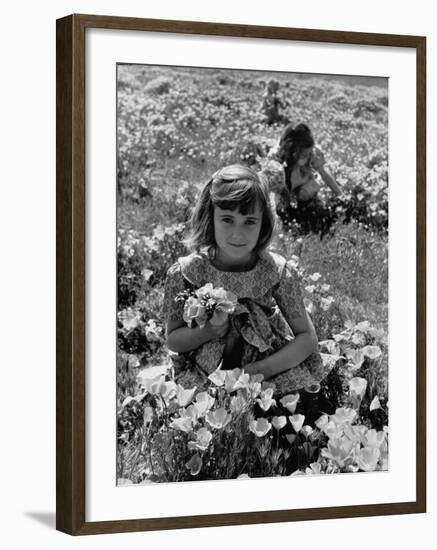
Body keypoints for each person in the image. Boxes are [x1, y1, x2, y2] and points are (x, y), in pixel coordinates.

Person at [162, 164, 331, 396]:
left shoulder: (275, 271)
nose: (237, 234)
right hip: (206, 370)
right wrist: (209, 331)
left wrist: (260, 371)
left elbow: (307, 338)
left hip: (266, 365)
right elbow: (173, 340)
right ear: (210, 217)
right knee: (202, 403)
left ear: (263, 223)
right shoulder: (188, 271)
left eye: (249, 221)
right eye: (227, 219)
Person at [261, 123, 341, 236]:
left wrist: (340, 195)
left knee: (314, 208)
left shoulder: (311, 153)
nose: (308, 157)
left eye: (309, 154)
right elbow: (269, 196)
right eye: (304, 155)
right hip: (284, 197)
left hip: (305, 196)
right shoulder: (277, 163)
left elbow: (324, 174)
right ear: (293, 151)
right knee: (284, 218)